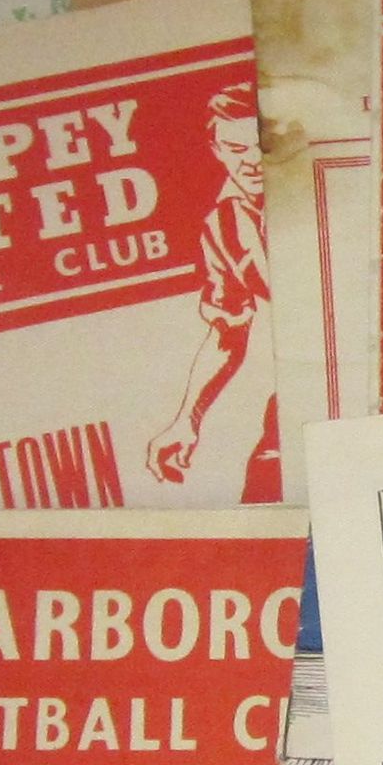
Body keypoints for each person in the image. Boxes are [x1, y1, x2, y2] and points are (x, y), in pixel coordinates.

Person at [147, 83, 267, 489]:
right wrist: (187, 420)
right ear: (216, 150)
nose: (252, 161)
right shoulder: (221, 226)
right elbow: (228, 333)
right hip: (311, 394)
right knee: (265, 483)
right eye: (236, 149)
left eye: (261, 145)